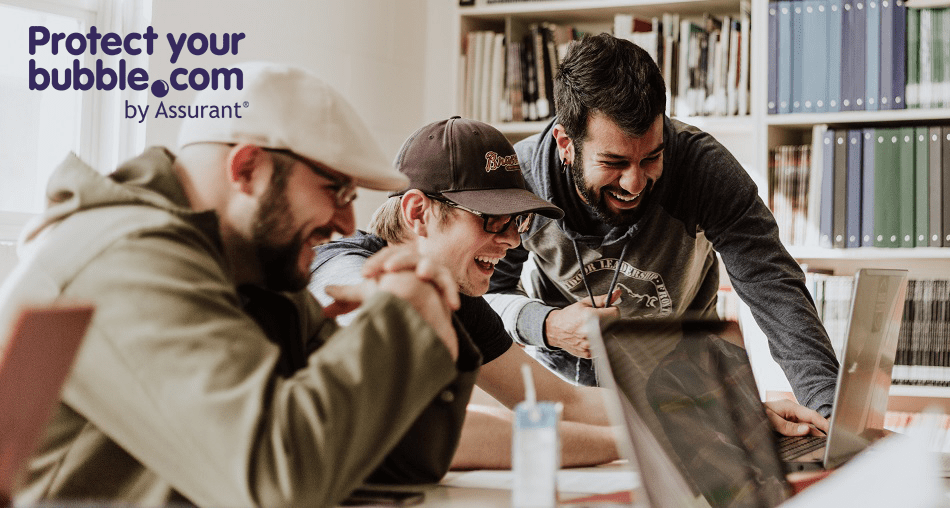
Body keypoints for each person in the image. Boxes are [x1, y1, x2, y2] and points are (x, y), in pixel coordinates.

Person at [0, 62, 477, 508]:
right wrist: (401, 320)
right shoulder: (126, 258)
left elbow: (389, 465)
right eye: (336, 190)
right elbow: (276, 483)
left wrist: (429, 320)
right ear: (247, 168)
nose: (348, 223)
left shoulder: (252, 272)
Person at [310, 117, 829, 470]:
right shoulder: (345, 273)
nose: (513, 241)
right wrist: (665, 441)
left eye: (517, 223)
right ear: (418, 213)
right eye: (492, 220)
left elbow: (559, 400)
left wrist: (722, 414)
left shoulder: (458, 298)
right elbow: (422, 429)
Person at [485, 33, 840, 418]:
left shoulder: (703, 169)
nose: (634, 183)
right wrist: (548, 325)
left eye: (651, 158)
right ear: (566, 143)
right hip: (569, 396)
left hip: (688, 390)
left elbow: (775, 290)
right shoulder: (521, 183)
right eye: (614, 163)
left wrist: (828, 414)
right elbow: (485, 296)